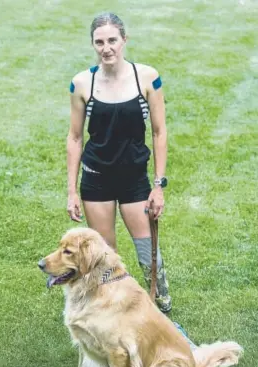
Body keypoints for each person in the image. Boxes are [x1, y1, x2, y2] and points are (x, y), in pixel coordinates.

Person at [66, 12, 171, 312]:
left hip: (135, 179)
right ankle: (110, 306)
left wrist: (158, 185)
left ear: (124, 40)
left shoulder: (147, 78)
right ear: (93, 45)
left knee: (146, 250)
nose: (106, 47)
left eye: (112, 40)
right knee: (103, 253)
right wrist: (72, 191)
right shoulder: (82, 83)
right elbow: (75, 138)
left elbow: (160, 132)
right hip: (96, 177)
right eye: (99, 42)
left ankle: (159, 298)